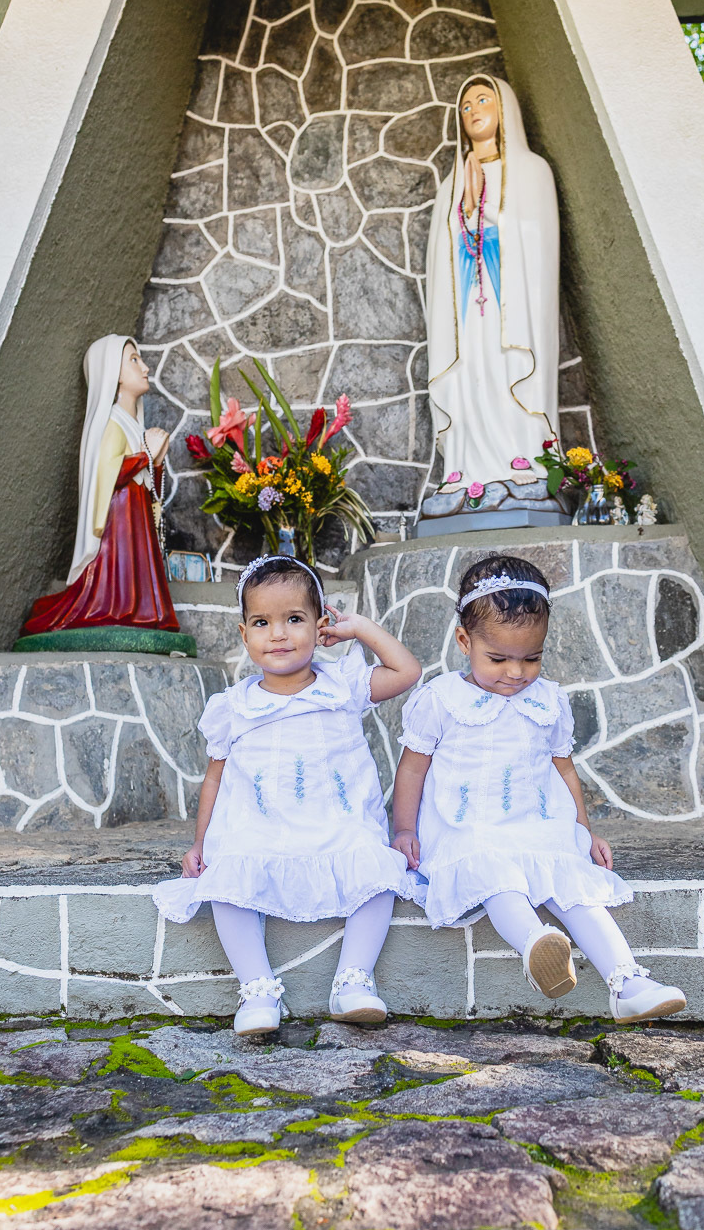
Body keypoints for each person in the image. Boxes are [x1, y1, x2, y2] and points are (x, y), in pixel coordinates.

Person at [391, 555, 687, 1024]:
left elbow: (564, 771)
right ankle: (537, 945)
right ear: (465, 641)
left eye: (531, 658)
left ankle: (628, 982)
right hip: (468, 829)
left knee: (575, 886)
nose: (516, 672)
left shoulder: (548, 699)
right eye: (499, 659)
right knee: (495, 875)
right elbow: (412, 769)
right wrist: (405, 829)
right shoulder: (442, 699)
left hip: (536, 823)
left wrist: (583, 831)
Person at [153, 555, 421, 1035]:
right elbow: (214, 778)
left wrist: (358, 628)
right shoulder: (234, 707)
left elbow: (406, 671)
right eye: (262, 622)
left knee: (380, 871)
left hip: (338, 826)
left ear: (320, 627)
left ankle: (353, 979)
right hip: (260, 828)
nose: (278, 634)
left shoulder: (343, 686)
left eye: (294, 619)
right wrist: (201, 841)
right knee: (227, 879)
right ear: (244, 635)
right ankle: (257, 988)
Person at [425, 74, 560, 497]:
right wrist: (465, 209)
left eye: (483, 100)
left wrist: (487, 212)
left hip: (510, 300)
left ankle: (521, 451)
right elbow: (441, 256)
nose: (473, 111)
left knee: (505, 364)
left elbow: (538, 240)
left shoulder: (532, 171)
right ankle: (466, 464)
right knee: (469, 369)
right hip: (467, 303)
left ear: (505, 108)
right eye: (465, 106)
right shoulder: (450, 184)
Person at [21, 335, 178, 635]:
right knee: (116, 590)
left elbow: (147, 487)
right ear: (113, 372)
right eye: (134, 360)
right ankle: (119, 607)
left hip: (135, 518)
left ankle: (142, 609)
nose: (145, 368)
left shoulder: (133, 423)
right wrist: (146, 454)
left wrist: (156, 461)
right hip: (119, 523)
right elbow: (108, 472)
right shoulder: (112, 421)